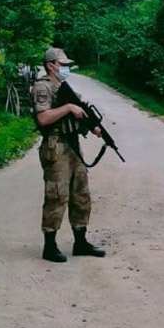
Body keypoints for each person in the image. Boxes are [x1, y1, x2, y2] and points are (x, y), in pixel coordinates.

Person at [30, 47, 105, 262]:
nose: (67, 69)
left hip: (73, 144)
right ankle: (50, 246)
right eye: (63, 65)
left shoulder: (63, 87)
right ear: (50, 65)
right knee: (57, 195)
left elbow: (77, 113)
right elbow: (43, 118)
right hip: (56, 145)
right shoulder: (43, 87)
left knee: (81, 194)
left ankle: (80, 241)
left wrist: (92, 126)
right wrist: (68, 108)